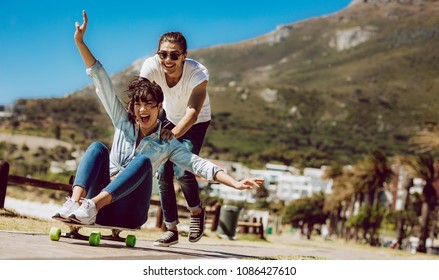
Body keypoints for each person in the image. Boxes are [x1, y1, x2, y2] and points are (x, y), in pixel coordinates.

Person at [52, 10, 264, 245]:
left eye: (149, 105)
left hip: (130, 210)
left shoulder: (167, 138)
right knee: (97, 148)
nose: (143, 110)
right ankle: (75, 203)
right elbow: (101, 79)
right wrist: (80, 42)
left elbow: (199, 163)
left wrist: (234, 183)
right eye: (138, 104)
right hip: (98, 206)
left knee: (151, 163)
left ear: (159, 107)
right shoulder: (124, 120)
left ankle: (96, 206)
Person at [116, 30, 212, 246]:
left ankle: (196, 212)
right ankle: (171, 229)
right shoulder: (151, 66)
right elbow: (139, 99)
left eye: (174, 55)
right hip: (167, 117)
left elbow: (192, 112)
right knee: (161, 172)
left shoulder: (198, 73)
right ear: (157, 54)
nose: (168, 60)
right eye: (163, 54)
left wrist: (174, 135)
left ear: (184, 55)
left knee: (181, 168)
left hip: (195, 122)